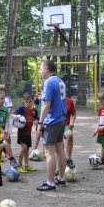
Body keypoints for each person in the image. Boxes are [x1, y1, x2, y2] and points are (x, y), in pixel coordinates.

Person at [36, 60, 67, 191]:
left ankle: (50, 183)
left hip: (52, 121)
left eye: (41, 69)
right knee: (60, 150)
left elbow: (46, 104)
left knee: (49, 152)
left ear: (47, 69)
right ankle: (61, 178)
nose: (40, 71)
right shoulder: (60, 81)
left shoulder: (48, 82)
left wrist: (40, 122)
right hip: (61, 119)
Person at [11, 92, 38, 173]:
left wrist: (36, 121)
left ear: (33, 100)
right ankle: (19, 165)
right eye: (26, 102)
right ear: (24, 101)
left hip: (28, 133)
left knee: (27, 149)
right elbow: (13, 114)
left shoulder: (34, 110)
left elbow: (36, 118)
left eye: (30, 101)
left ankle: (26, 165)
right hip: (21, 132)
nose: (28, 103)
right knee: (24, 148)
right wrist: (14, 116)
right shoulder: (22, 108)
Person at [0, 90, 19, 169]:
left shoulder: (5, 108)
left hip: (4, 131)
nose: (4, 100)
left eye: (4, 98)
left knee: (6, 144)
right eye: (2, 98)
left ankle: (11, 159)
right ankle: (0, 165)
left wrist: (6, 130)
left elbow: (7, 120)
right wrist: (2, 131)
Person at [64, 96, 77, 169]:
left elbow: (74, 114)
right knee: (58, 145)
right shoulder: (53, 100)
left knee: (69, 135)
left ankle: (68, 159)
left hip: (65, 124)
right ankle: (60, 167)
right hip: (55, 124)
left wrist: (72, 121)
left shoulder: (69, 101)